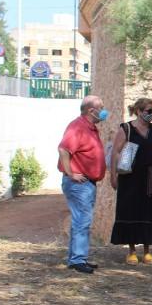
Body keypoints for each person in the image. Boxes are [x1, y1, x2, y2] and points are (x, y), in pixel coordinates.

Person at [109, 97, 152, 263]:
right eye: (149, 111)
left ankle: (147, 250)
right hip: (129, 177)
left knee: (148, 211)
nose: (151, 113)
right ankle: (132, 250)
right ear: (139, 111)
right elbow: (115, 152)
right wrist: (113, 175)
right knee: (130, 210)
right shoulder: (126, 128)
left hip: (149, 177)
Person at [57, 95, 109, 274]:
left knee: (80, 220)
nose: (103, 111)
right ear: (91, 110)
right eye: (101, 108)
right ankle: (78, 260)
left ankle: (77, 258)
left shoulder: (91, 128)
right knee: (82, 220)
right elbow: (63, 149)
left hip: (87, 183)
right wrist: (71, 173)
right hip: (79, 183)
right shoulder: (77, 126)